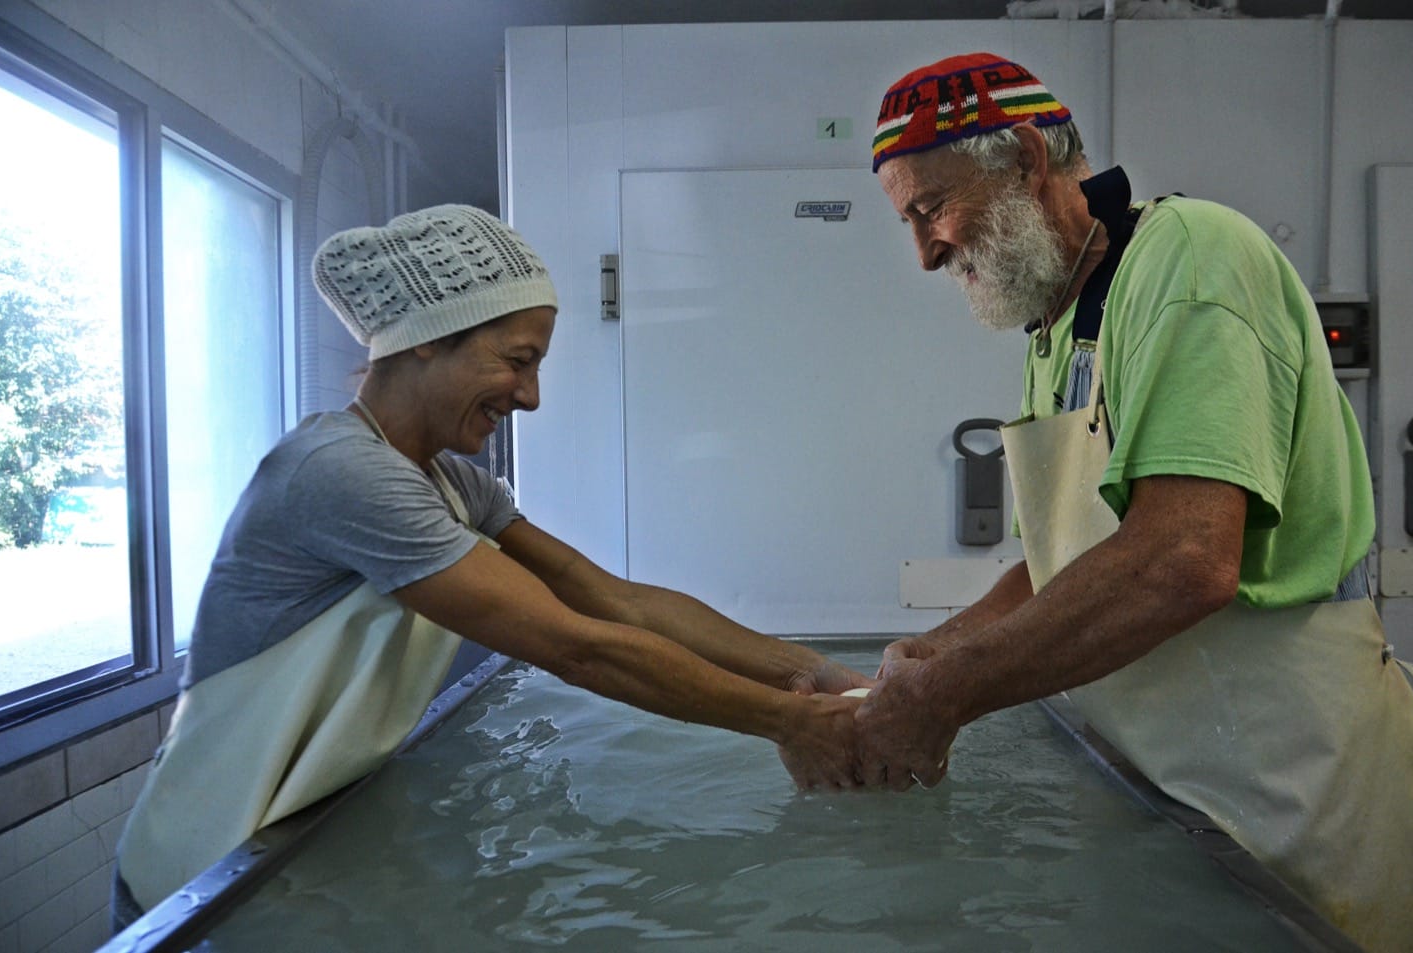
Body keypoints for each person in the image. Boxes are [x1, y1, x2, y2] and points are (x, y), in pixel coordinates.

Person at [112, 205, 871, 930]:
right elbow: (577, 645)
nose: (532, 397)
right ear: (424, 340)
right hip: (206, 875)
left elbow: (617, 602)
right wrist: (789, 723)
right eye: (517, 361)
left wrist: (807, 672)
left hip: (295, 847)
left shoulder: (449, 482)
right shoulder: (339, 473)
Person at [859, 52, 1413, 951]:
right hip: (1175, 791)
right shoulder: (1057, 322)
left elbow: (1184, 558)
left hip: (1287, 793)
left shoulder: (1190, 257)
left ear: (1022, 156)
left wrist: (947, 693)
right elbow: (1058, 571)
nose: (926, 252)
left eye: (930, 210)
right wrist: (915, 661)